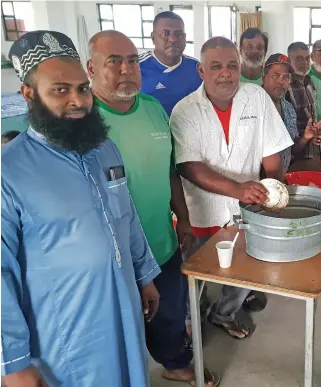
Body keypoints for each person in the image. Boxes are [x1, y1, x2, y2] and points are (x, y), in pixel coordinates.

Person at [2, 30, 160, 387]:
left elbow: (127, 216)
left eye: (82, 88)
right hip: (66, 330)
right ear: (29, 94)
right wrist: (13, 364)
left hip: (123, 304)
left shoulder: (103, 149)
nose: (77, 101)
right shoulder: (8, 172)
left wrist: (144, 274)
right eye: (60, 90)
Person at [87, 31, 218, 386]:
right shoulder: (82, 123)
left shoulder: (154, 110)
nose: (126, 69)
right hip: (112, 253)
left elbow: (170, 170)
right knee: (120, 325)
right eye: (114, 61)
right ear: (91, 69)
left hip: (160, 238)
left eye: (132, 60)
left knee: (170, 311)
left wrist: (185, 220)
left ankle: (175, 363)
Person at [170, 37, 293, 339]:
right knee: (194, 274)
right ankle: (190, 320)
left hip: (247, 207)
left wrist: (277, 194)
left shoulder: (258, 98)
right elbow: (189, 167)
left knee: (245, 269)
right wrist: (238, 190)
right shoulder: (185, 111)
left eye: (231, 66)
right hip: (201, 209)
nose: (225, 73)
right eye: (216, 66)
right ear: (201, 70)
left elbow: (272, 156)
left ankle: (223, 314)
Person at [262, 53, 321, 172]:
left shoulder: (289, 109)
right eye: (275, 76)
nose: (281, 81)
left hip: (282, 178)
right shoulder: (253, 106)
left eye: (286, 77)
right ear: (264, 77)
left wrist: (305, 138)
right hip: (257, 184)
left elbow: (293, 149)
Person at [139, 11, 202, 115]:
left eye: (178, 34)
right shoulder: (136, 67)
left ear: (185, 37)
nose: (173, 39)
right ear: (153, 38)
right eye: (166, 33)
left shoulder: (196, 69)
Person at [286, 41, 317, 159]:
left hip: (310, 151)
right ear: (289, 61)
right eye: (299, 58)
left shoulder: (310, 82)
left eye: (307, 58)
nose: (304, 63)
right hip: (293, 155)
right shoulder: (286, 87)